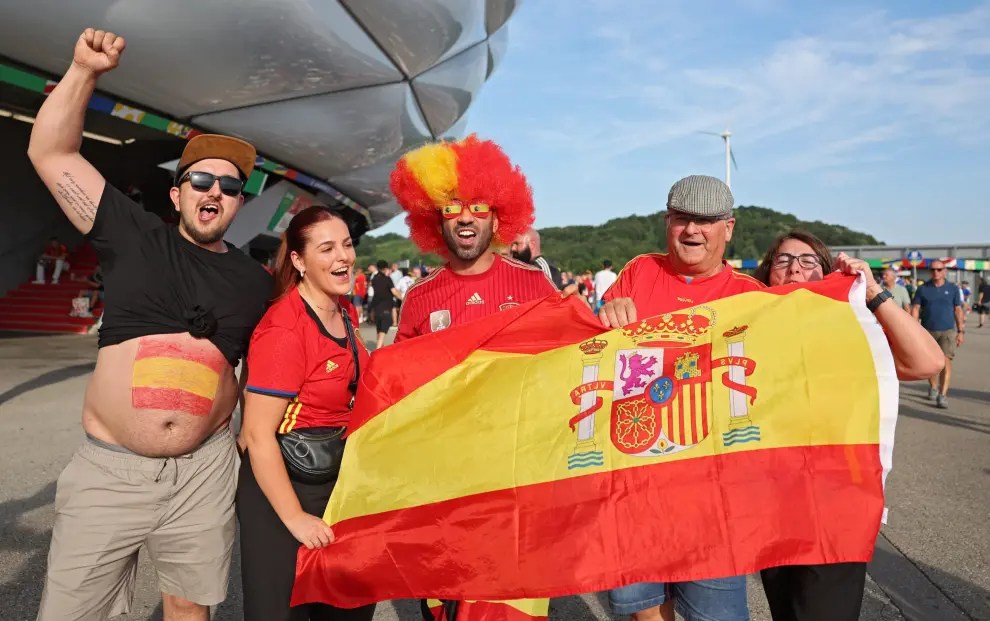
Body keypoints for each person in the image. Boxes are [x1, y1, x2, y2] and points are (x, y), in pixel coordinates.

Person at [30, 29, 272, 621]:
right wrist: (84, 71)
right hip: (112, 471)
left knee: (191, 608)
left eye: (231, 186)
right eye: (202, 180)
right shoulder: (132, 235)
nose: (215, 191)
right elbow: (52, 155)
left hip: (203, 474)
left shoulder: (254, 281)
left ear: (239, 203)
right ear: (177, 192)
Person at [389, 136, 558, 619]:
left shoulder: (533, 286)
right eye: (452, 209)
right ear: (433, 220)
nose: (465, 218)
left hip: (515, 481)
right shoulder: (420, 297)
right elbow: (399, 391)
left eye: (478, 206)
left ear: (499, 216)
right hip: (442, 484)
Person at [753, 230, 943, 621]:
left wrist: (872, 289)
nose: (794, 268)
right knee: (788, 608)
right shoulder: (749, 327)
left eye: (808, 261)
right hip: (770, 501)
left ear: (826, 273)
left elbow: (928, 363)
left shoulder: (851, 329)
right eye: (783, 260)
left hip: (835, 501)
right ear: (767, 273)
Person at [598, 175, 763, 621]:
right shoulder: (639, 271)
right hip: (637, 489)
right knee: (646, 613)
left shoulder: (752, 296)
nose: (692, 231)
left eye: (705, 221)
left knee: (717, 615)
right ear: (667, 222)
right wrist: (605, 313)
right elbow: (593, 350)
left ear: (728, 228)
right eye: (681, 219)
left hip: (714, 500)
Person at [237, 205, 376, 621]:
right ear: (298, 261)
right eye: (327, 248)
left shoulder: (344, 311)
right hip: (285, 488)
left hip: (339, 484)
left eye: (347, 246)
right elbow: (256, 435)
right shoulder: (284, 328)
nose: (343, 257)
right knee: (283, 611)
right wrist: (295, 518)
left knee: (346, 607)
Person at [911, 260, 964, 409]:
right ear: (929, 271)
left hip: (947, 331)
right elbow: (916, 308)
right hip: (927, 331)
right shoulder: (922, 289)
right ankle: (933, 386)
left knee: (946, 362)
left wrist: (961, 331)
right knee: (930, 364)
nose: (936, 272)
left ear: (944, 271)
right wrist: (914, 328)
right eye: (933, 270)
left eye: (939, 270)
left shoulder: (953, 289)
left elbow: (958, 310)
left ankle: (942, 395)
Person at [370, 259, 400, 349]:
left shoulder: (374, 279)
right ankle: (378, 349)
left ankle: (380, 347)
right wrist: (402, 298)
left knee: (379, 329)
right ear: (386, 268)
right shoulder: (387, 279)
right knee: (383, 330)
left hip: (376, 307)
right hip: (386, 306)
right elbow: (394, 291)